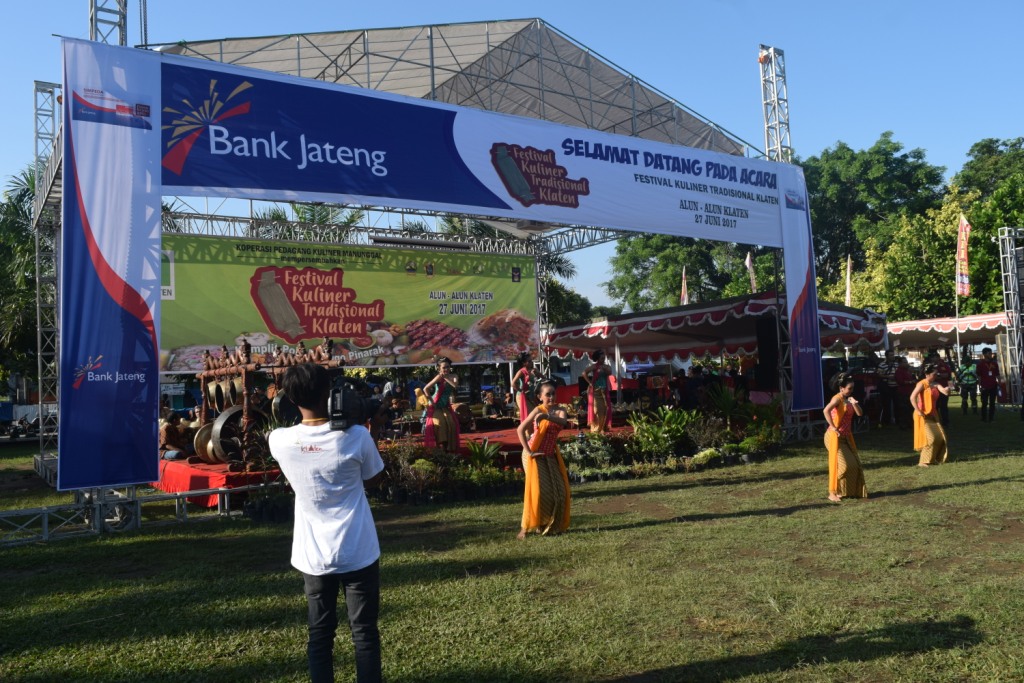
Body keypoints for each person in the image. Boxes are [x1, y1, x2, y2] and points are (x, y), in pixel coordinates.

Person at [268, 363, 385, 683]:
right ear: (328, 394)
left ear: (291, 399)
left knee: (319, 635)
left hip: (313, 555)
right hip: (358, 550)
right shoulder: (357, 436)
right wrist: (370, 427)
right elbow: (373, 479)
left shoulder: (279, 440)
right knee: (364, 633)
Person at [516, 379, 571, 539]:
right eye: (548, 394)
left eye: (553, 394)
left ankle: (549, 525)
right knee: (537, 491)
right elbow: (520, 430)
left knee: (561, 491)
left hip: (549, 454)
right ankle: (525, 528)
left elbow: (563, 421)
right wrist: (529, 451)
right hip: (533, 454)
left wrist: (546, 416)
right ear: (540, 397)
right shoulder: (537, 410)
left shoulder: (560, 410)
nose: (551, 397)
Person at [822, 373, 868, 502]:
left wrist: (855, 403)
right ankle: (832, 492)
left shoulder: (849, 400)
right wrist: (833, 427)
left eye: (852, 388)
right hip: (834, 437)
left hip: (846, 437)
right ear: (841, 388)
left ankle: (846, 491)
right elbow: (826, 410)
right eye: (849, 388)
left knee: (854, 465)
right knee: (843, 466)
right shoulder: (837, 399)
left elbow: (860, 414)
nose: (851, 390)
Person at [910, 363, 950, 467]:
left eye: (937, 374)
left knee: (940, 437)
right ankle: (923, 462)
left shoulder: (936, 384)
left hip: (933, 414)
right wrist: (918, 410)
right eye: (934, 374)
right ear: (927, 374)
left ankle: (934, 458)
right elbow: (912, 397)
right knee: (931, 438)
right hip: (922, 415)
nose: (936, 376)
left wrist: (948, 389)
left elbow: (945, 392)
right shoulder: (921, 384)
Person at [423, 356, 460, 453]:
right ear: (439, 369)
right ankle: (442, 448)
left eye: (447, 367)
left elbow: (455, 386)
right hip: (435, 405)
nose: (446, 369)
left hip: (445, 405)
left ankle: (450, 448)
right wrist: (432, 401)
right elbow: (425, 389)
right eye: (444, 367)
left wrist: (446, 378)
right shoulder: (438, 377)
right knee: (441, 424)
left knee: (452, 424)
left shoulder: (454, 376)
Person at [582, 349, 612, 433]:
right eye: (601, 358)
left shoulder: (606, 367)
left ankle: (603, 427)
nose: (603, 359)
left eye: (604, 358)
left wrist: (603, 368)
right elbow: (584, 373)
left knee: (606, 408)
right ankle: (596, 428)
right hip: (596, 391)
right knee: (597, 410)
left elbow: (610, 372)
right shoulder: (594, 366)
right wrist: (590, 383)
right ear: (597, 358)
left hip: (604, 391)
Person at [976, 347, 1000, 422]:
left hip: (993, 385)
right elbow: (979, 376)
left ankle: (991, 418)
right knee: (984, 403)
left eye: (991, 353)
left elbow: (997, 374)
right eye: (989, 353)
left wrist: (999, 383)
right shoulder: (980, 364)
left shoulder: (994, 364)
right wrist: (980, 386)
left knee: (992, 403)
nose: (991, 355)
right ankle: (984, 418)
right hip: (984, 386)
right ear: (984, 354)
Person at [876, 349, 898, 426]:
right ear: (886, 356)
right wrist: (888, 377)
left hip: (895, 386)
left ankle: (897, 420)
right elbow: (879, 375)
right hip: (886, 386)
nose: (893, 356)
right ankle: (886, 421)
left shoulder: (896, 364)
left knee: (897, 403)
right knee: (886, 404)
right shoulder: (882, 364)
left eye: (893, 355)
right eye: (891, 355)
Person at [510, 352, 533, 423]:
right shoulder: (521, 371)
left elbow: (543, 378)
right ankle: (525, 429)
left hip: (531, 395)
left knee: (533, 413)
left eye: (531, 360)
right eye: (529, 361)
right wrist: (521, 391)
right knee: (528, 414)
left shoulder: (534, 370)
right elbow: (513, 383)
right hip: (521, 396)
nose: (531, 362)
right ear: (524, 363)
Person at [894, 357, 916, 429]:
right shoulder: (899, 371)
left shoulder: (907, 371)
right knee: (904, 409)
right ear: (900, 363)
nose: (906, 363)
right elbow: (900, 382)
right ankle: (904, 425)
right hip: (903, 393)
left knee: (910, 409)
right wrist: (910, 382)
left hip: (910, 392)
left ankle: (910, 424)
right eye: (904, 362)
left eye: (906, 362)